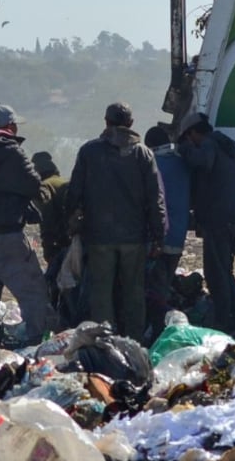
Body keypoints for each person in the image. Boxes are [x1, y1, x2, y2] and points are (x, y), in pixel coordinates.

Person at [67, 102, 165, 341]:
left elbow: (73, 193)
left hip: (99, 237)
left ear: (106, 122)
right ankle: (133, 341)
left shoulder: (89, 152)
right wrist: (159, 235)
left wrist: (71, 224)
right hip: (134, 238)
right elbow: (155, 197)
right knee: (134, 292)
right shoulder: (143, 153)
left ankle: (105, 342)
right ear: (130, 124)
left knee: (101, 293)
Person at [0, 103, 52, 344]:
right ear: (11, 126)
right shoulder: (12, 151)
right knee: (32, 289)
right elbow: (33, 185)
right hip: (6, 233)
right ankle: (39, 338)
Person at [179, 111, 235, 332]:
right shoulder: (227, 146)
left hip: (218, 218)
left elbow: (201, 161)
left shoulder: (209, 146)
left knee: (215, 272)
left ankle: (225, 321)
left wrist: (183, 150)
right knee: (225, 269)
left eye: (188, 138)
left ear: (193, 133)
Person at [145, 123, 191, 332]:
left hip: (160, 237)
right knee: (165, 283)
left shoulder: (154, 165)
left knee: (155, 288)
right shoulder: (182, 163)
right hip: (178, 236)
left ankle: (157, 329)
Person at [31, 151, 77, 324]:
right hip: (77, 240)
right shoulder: (64, 181)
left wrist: (48, 248)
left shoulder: (45, 186)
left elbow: (47, 221)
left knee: (55, 282)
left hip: (61, 244)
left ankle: (59, 319)